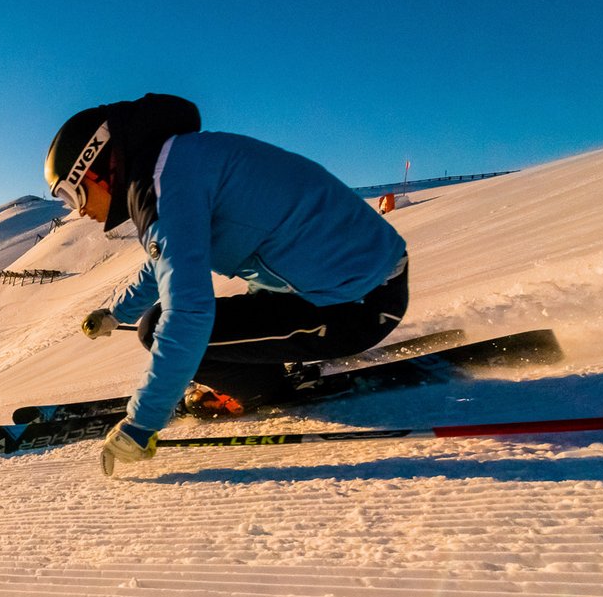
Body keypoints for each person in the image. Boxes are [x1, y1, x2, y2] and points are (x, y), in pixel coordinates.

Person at [44, 93, 409, 474]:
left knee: (156, 330)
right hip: (362, 281)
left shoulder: (161, 186)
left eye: (72, 195)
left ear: (96, 166)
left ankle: (260, 390)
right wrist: (115, 312)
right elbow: (167, 261)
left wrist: (143, 423)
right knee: (167, 323)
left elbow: (189, 314)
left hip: (359, 305)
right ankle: (269, 362)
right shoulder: (175, 164)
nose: (81, 210)